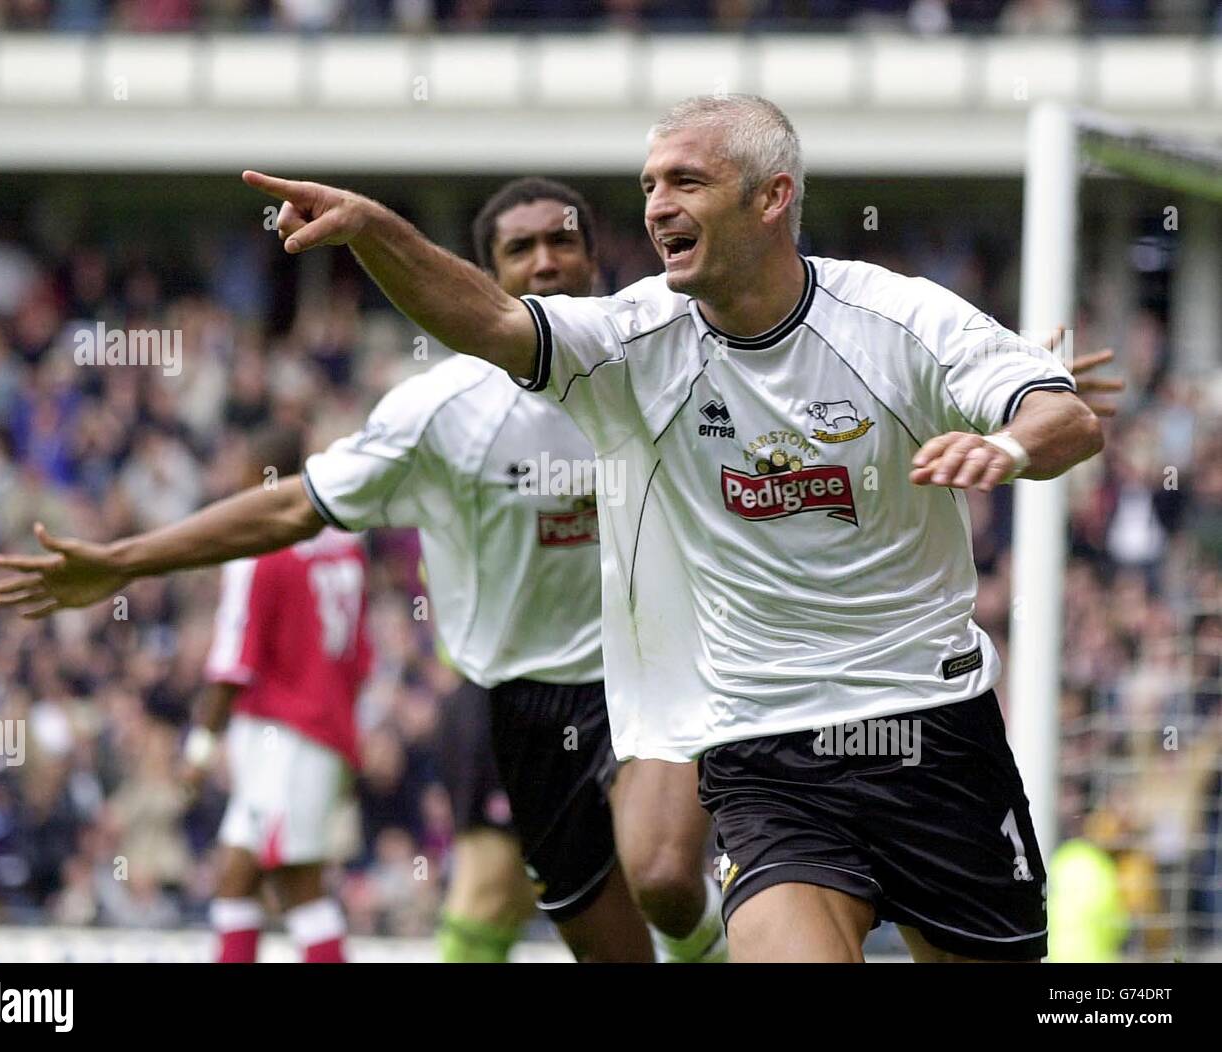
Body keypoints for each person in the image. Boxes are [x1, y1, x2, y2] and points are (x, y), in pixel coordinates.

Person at [225, 92, 1106, 962]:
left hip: (929, 725)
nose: (656, 207)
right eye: (648, 186)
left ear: (773, 197)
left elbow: (1062, 414)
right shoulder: (633, 343)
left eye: (686, 180)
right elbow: (491, 320)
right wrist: (375, 228)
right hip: (765, 750)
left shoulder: (895, 318)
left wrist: (1013, 448)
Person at [0, 179, 726, 964]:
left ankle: (708, 931)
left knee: (667, 880)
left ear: (592, 255)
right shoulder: (440, 413)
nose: (545, 262)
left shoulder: (655, 368)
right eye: (520, 249)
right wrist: (122, 561)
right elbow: (289, 509)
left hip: (646, 671)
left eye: (562, 241)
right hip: (521, 701)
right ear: (484, 278)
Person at [185, 425, 372, 963]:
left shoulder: (258, 550)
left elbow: (230, 665)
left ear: (262, 477)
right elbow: (359, 653)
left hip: (287, 736)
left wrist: (199, 750)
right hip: (321, 728)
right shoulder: (345, 539)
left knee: (296, 882)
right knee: (235, 877)